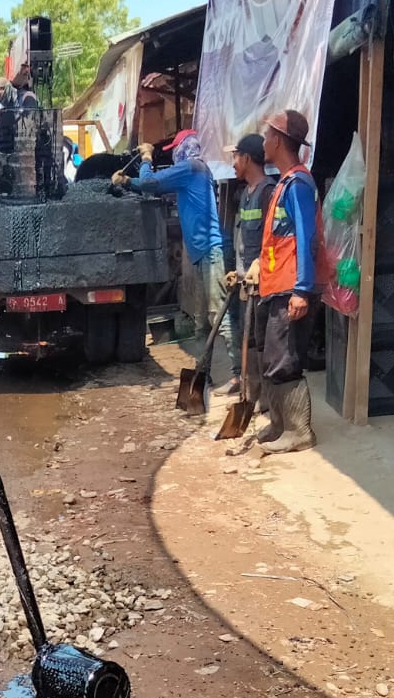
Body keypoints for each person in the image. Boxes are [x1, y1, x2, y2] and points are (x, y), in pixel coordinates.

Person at [114, 129, 229, 379]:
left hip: (210, 252)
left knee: (220, 314)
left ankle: (240, 374)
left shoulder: (192, 168)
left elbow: (150, 183)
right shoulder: (194, 171)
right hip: (201, 253)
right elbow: (155, 187)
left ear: (185, 147)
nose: (175, 154)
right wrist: (128, 182)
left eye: (176, 149)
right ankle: (203, 373)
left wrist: (146, 160)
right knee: (202, 322)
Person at [254, 110, 323, 454]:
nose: (263, 143)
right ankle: (280, 425)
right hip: (276, 286)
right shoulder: (284, 183)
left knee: (285, 359)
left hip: (290, 288)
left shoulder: (298, 184)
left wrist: (302, 290)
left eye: (266, 137)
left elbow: (307, 237)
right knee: (272, 357)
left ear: (278, 140)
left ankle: (299, 431)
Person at [222, 134, 278, 399]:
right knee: (249, 338)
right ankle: (252, 396)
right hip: (248, 284)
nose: (233, 163)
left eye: (235, 156)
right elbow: (245, 238)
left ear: (246, 158)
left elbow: (275, 239)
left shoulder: (268, 192)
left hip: (265, 284)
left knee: (263, 342)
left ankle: (266, 401)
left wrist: (259, 264)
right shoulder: (245, 194)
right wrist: (239, 271)